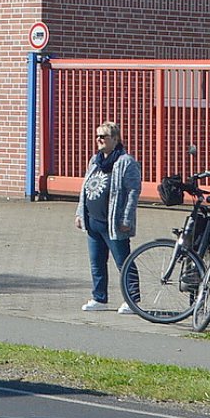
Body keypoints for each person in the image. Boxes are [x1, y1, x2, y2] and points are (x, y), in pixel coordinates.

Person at [76, 121, 142, 312]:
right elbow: (85, 188)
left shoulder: (126, 162)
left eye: (103, 136)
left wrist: (126, 219)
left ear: (115, 138)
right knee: (96, 262)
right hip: (93, 222)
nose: (99, 140)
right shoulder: (95, 161)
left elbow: (133, 192)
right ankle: (99, 298)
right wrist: (80, 213)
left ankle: (132, 300)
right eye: (97, 136)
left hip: (114, 223)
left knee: (124, 262)